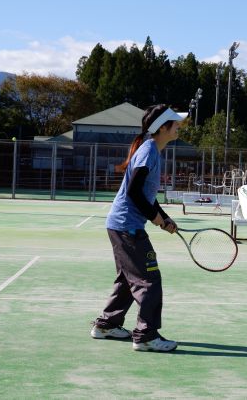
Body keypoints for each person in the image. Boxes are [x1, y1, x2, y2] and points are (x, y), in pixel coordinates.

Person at [91, 104, 186, 352]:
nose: (179, 126)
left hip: (121, 225)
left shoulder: (152, 150)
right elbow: (134, 191)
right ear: (162, 128)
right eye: (175, 123)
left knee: (127, 279)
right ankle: (145, 336)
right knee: (149, 280)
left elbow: (147, 195)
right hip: (127, 227)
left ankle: (107, 325)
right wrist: (156, 218)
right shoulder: (148, 151)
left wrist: (164, 218)